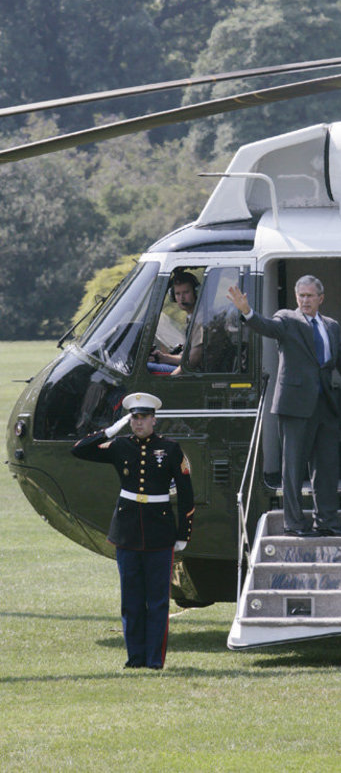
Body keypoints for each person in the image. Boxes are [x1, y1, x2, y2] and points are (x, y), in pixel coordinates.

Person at [227, 275, 341, 538]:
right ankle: (295, 524)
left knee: (327, 467)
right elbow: (266, 326)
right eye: (301, 296)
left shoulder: (331, 326)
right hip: (294, 405)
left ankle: (328, 522)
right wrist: (247, 312)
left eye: (310, 296)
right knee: (294, 468)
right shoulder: (287, 319)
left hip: (325, 405)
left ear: (321, 298)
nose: (305, 300)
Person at [71, 392, 194, 669]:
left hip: (160, 532)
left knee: (158, 601)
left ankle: (154, 660)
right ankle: (135, 658)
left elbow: (186, 494)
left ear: (154, 420)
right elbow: (79, 449)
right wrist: (109, 430)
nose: (138, 424)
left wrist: (183, 534)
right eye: (134, 419)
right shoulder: (120, 445)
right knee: (131, 601)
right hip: (126, 531)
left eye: (143, 418)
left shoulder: (171, 449)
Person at [148, 271, 202, 375]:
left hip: (197, 375)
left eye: (186, 292)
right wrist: (164, 358)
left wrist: (170, 379)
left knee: (147, 368)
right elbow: (186, 358)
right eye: (177, 294)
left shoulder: (200, 320)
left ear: (196, 292)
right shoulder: (192, 317)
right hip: (195, 371)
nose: (181, 298)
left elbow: (193, 361)